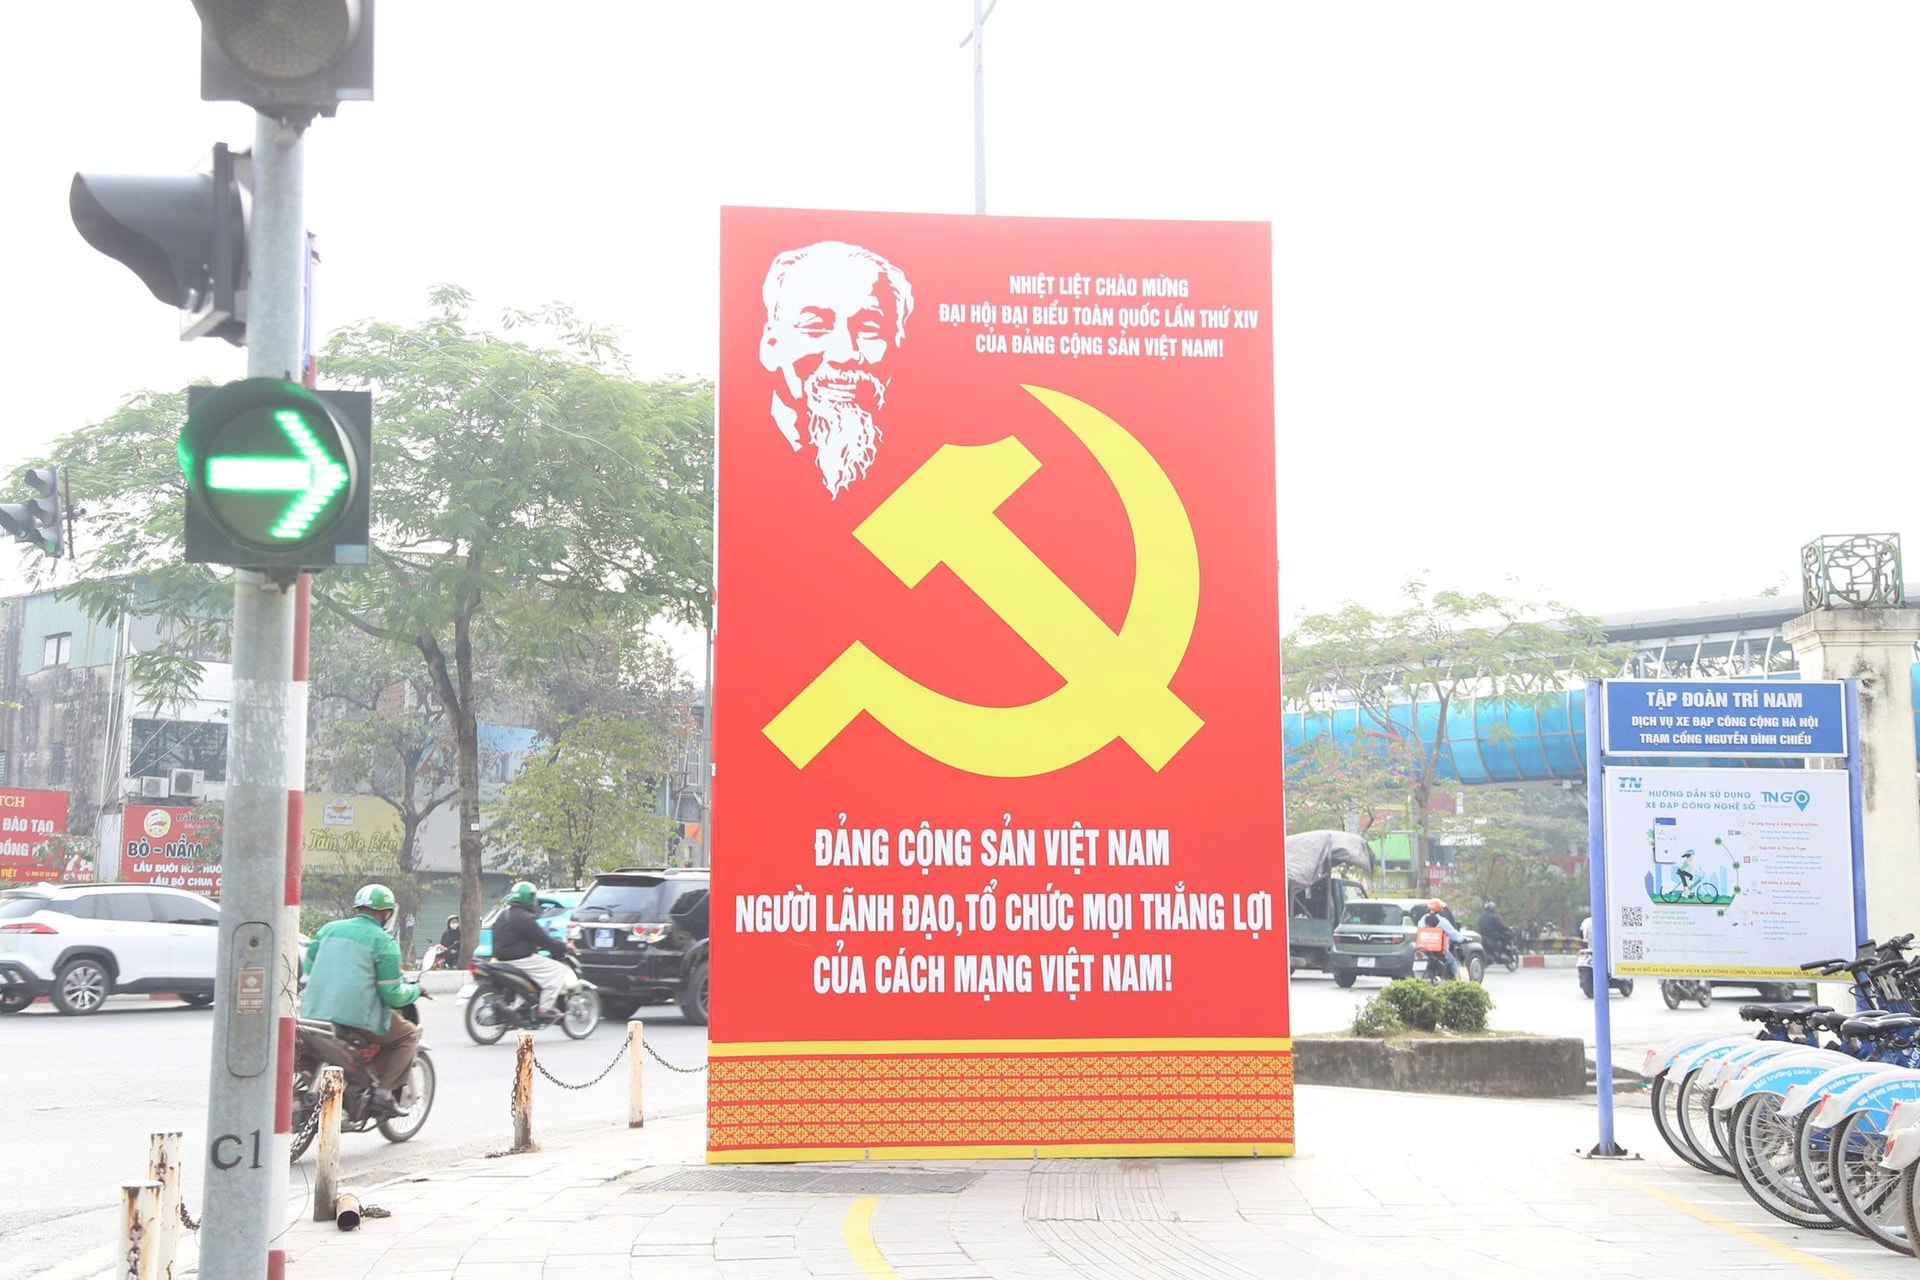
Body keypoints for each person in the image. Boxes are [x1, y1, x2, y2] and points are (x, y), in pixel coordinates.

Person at [758, 241, 915, 498]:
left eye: (869, 328)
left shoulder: (919, 463)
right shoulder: (743, 450)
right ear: (771, 344)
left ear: (898, 343)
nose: (844, 354)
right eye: (815, 326)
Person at [301, 884, 422, 1117]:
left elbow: (310, 966)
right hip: (356, 1019)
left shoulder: (328, 929)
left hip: (313, 1013)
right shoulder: (384, 943)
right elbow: (392, 994)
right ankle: (382, 1094)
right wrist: (415, 991)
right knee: (408, 1034)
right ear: (386, 913)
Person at [490, 881, 573, 1017]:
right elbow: (543, 939)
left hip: (500, 959)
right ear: (529, 897)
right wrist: (564, 946)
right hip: (520, 960)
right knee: (558, 970)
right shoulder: (524, 917)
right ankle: (545, 1008)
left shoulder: (503, 914)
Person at [1417, 899, 1463, 979]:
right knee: (1452, 961)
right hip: (1440, 951)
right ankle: (1459, 981)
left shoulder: (1422, 920)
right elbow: (1453, 934)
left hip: (1425, 950)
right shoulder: (1442, 921)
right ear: (1440, 909)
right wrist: (1463, 939)